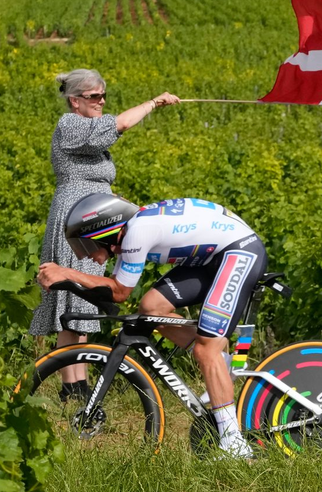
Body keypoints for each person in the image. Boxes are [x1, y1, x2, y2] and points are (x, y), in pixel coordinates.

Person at [37, 193, 267, 459]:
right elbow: (114, 293)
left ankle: (234, 444)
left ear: (107, 233)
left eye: (89, 247)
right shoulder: (134, 228)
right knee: (150, 309)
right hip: (211, 259)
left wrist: (66, 272)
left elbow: (119, 292)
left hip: (238, 252)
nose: (90, 258)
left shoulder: (137, 232)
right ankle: (222, 362)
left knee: (206, 351)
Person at [29, 69, 179, 403]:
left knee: (85, 298)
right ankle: (73, 386)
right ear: (75, 101)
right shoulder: (70, 125)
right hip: (78, 220)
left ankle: (77, 382)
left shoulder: (86, 130)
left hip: (97, 219)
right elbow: (120, 125)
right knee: (71, 297)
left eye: (103, 96)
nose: (102, 102)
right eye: (95, 97)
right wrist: (154, 102)